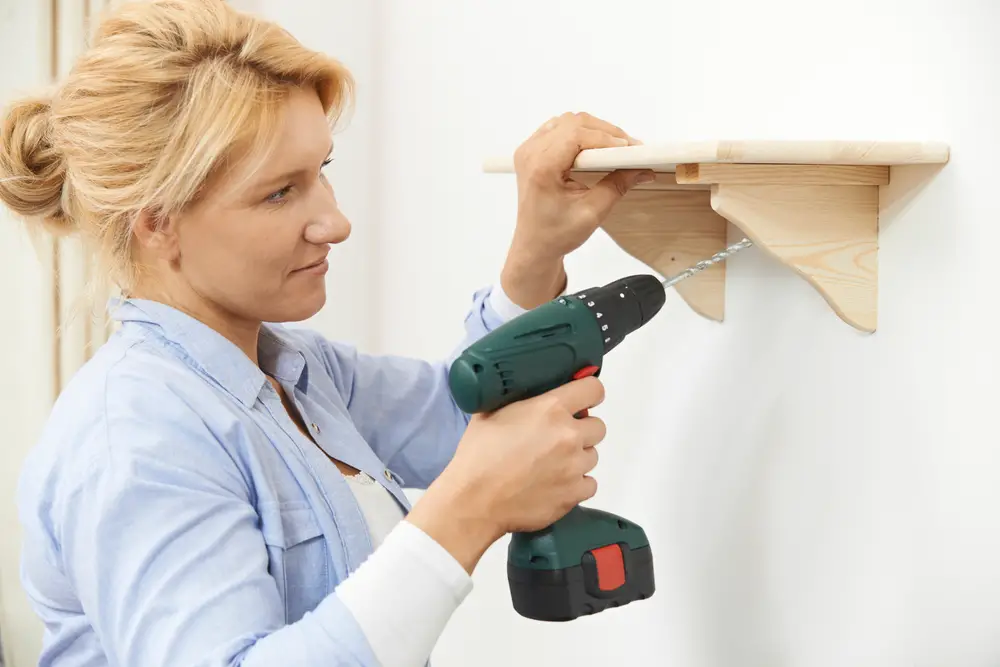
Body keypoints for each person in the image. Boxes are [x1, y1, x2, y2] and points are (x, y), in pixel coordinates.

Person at [0, 1, 656, 665]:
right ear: (158, 223)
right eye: (281, 192)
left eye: (323, 171)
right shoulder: (135, 437)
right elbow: (477, 469)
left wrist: (534, 252)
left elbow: (461, 423)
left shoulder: (292, 369)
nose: (335, 222)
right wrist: (470, 509)